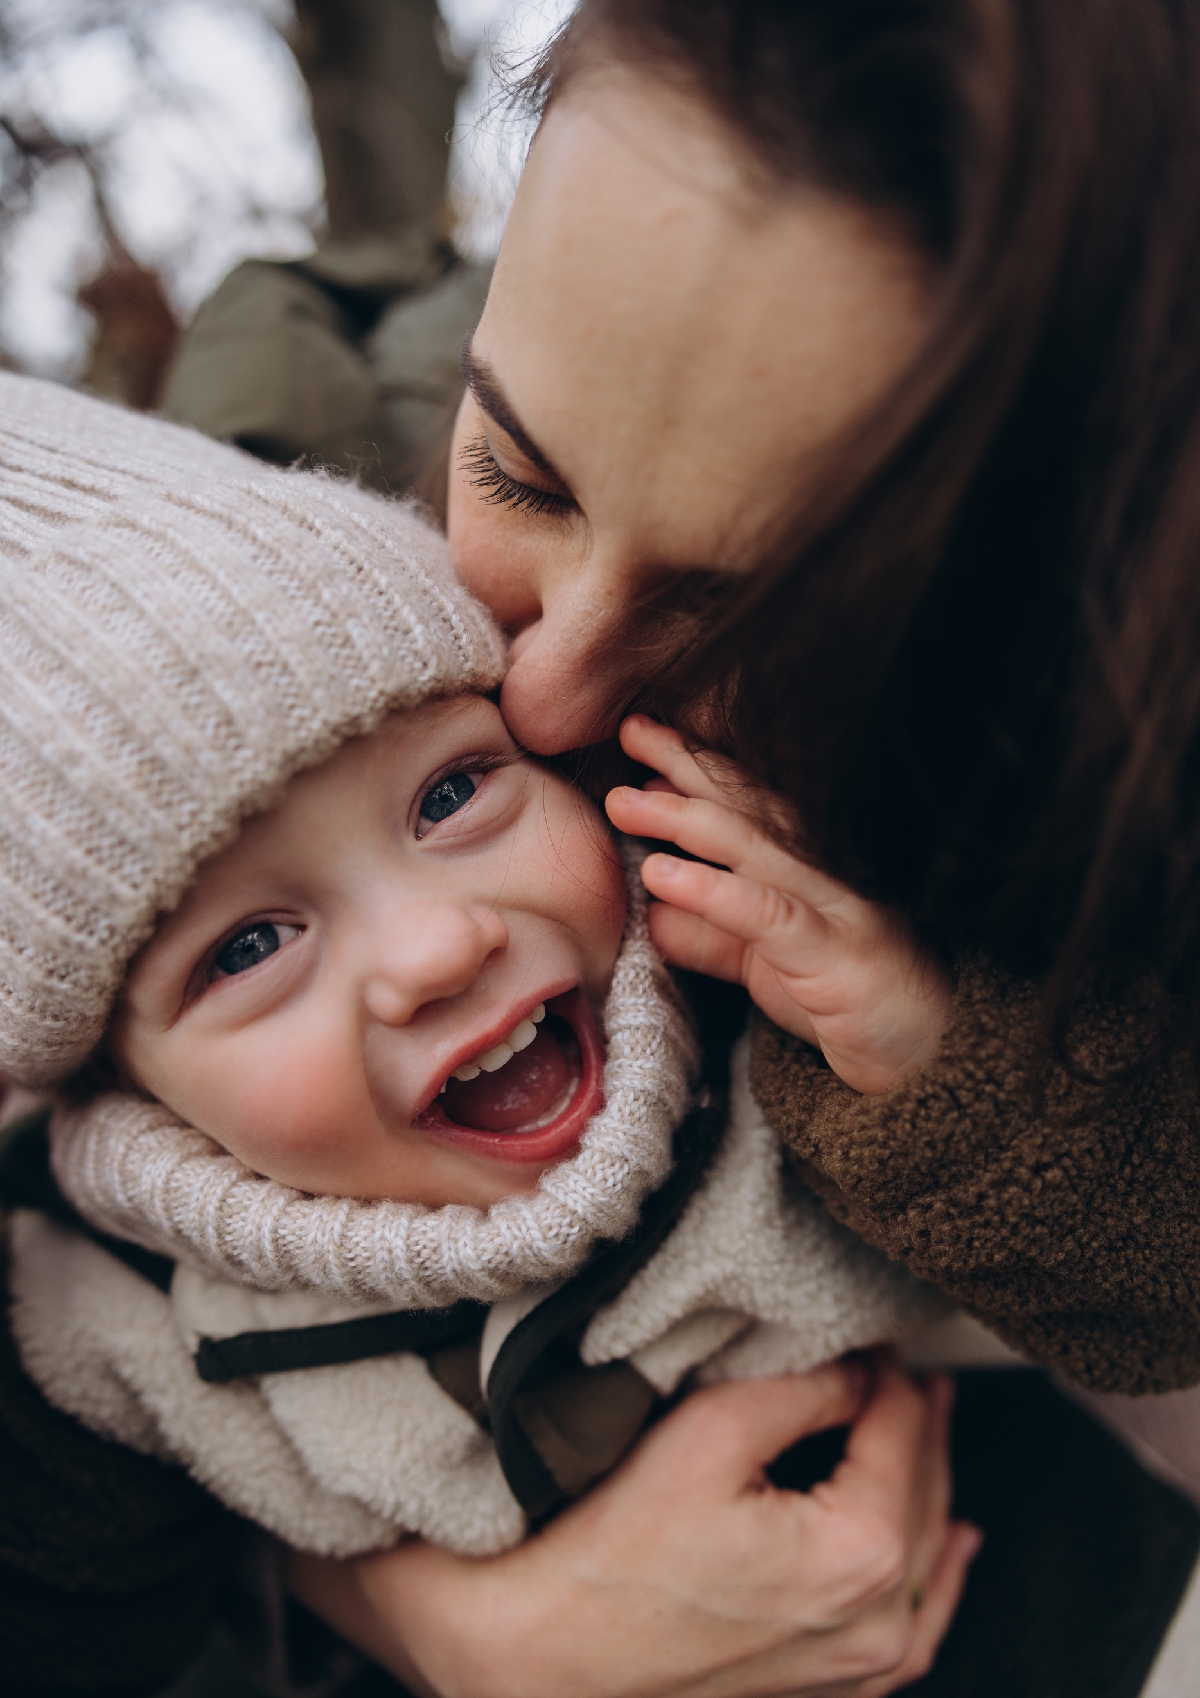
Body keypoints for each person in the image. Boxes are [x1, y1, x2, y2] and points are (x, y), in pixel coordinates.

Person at [286, 1, 1200, 1694]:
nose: (548, 689)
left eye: (755, 624)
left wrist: (941, 1057)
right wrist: (453, 1631)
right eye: (513, 470)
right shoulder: (250, 586)